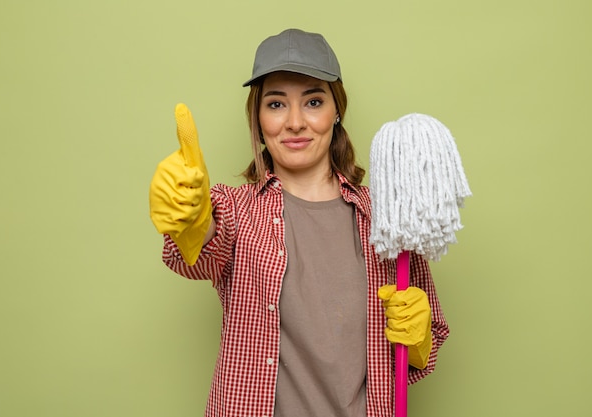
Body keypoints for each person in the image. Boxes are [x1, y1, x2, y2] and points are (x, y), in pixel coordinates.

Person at [149, 28, 449, 417]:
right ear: (257, 118)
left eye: (313, 101)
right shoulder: (235, 209)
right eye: (275, 104)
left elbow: (426, 342)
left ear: (336, 110)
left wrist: (420, 339)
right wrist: (191, 220)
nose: (294, 122)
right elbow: (199, 252)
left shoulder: (388, 219)